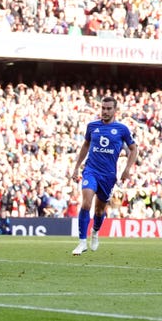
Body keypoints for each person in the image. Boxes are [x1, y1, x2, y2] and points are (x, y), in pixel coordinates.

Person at [70, 96, 137, 255]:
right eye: (103, 108)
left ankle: (94, 232)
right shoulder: (92, 126)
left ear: (115, 110)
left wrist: (127, 169)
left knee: (99, 211)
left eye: (108, 109)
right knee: (86, 203)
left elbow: (133, 149)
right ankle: (81, 242)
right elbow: (85, 145)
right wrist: (76, 167)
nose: (105, 111)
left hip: (108, 176)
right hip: (91, 170)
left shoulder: (122, 129)